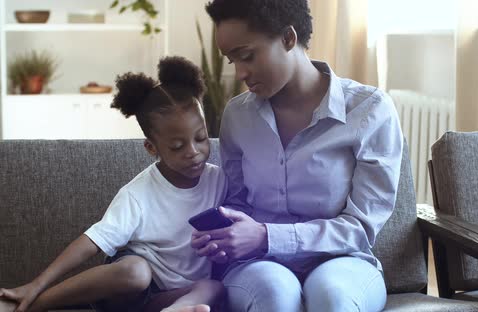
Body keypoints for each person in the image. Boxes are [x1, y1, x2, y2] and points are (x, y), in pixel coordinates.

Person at [191, 0, 404, 311]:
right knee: (274, 295)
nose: (240, 73)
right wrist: (224, 236)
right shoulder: (238, 115)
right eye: (232, 60)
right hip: (258, 264)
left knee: (334, 297)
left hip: (343, 259)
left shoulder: (369, 110)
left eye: (247, 56)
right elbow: (236, 200)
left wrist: (267, 236)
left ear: (288, 39)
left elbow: (361, 228)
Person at [0, 56, 226, 312]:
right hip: (131, 293)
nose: (194, 152)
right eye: (177, 146)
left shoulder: (218, 180)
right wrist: (36, 284)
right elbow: (93, 241)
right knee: (136, 271)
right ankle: (33, 305)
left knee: (213, 287)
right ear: (152, 148)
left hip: (171, 296)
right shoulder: (138, 194)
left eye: (201, 138)